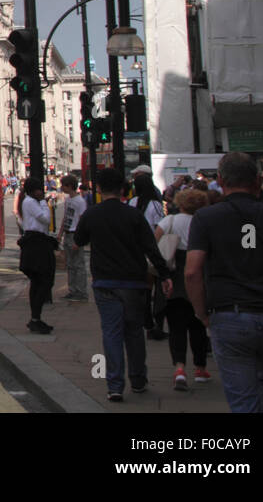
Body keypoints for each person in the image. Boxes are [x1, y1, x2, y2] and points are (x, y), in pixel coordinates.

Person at [185, 151, 263, 413]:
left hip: (230, 313)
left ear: (222, 182)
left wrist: (201, 312)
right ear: (257, 182)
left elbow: (192, 272)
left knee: (243, 398)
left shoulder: (206, 218)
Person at [73, 168, 174, 403]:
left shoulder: (92, 214)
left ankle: (115, 386)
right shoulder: (134, 215)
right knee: (134, 333)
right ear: (122, 189)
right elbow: (151, 247)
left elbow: (79, 241)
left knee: (111, 333)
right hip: (134, 282)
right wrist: (165, 274)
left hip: (105, 282)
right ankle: (138, 380)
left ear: (98, 189)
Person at [154, 187, 211, 390]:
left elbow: (155, 244)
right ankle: (200, 367)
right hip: (199, 278)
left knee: (176, 327)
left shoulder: (169, 221)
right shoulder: (204, 223)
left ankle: (179, 368)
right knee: (199, 326)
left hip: (174, 279)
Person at [128, 166, 168, 340]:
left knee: (143, 290)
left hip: (135, 250)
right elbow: (160, 227)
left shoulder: (132, 202)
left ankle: (147, 323)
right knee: (157, 291)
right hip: (151, 250)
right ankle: (157, 324)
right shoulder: (155, 204)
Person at [16, 177, 57, 334]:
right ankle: (35, 319)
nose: (42, 191)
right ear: (34, 190)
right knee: (44, 282)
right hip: (36, 245)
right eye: (39, 189)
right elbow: (46, 219)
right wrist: (44, 203)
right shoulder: (32, 202)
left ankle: (36, 319)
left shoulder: (28, 202)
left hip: (36, 243)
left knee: (39, 283)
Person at [56, 174, 89, 303]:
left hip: (75, 234)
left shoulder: (80, 201)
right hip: (68, 233)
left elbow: (82, 221)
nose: (62, 188)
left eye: (63, 185)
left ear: (69, 186)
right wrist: (60, 234)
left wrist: (79, 239)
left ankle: (81, 292)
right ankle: (73, 290)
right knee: (69, 264)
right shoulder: (68, 200)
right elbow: (66, 217)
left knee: (78, 264)